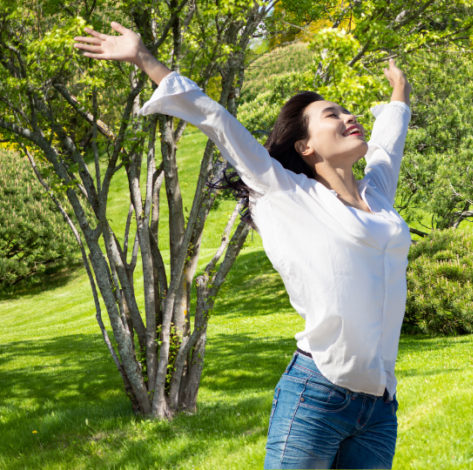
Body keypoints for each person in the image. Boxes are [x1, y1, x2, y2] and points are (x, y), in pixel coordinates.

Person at [74, 21, 413, 470]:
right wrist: (144, 59)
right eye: (332, 115)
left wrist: (399, 93)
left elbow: (388, 146)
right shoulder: (286, 193)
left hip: (379, 408)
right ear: (305, 146)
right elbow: (216, 119)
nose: (348, 117)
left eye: (347, 111)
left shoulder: (378, 198)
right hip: (318, 395)